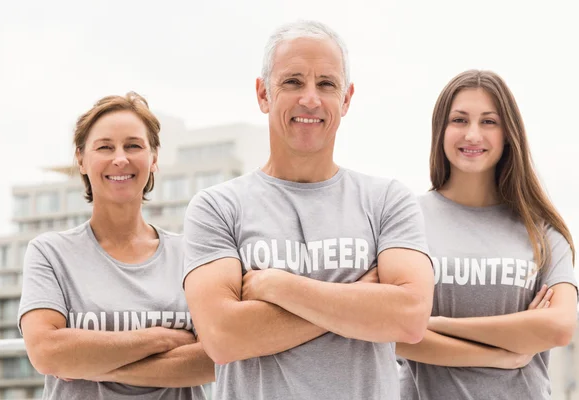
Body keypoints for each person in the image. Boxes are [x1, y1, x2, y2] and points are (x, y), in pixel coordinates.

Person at [182, 20, 434, 400]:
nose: (311, 99)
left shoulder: (387, 201)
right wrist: (360, 300)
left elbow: (410, 317)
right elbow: (223, 337)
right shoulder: (217, 208)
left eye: (326, 84)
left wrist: (278, 286)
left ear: (346, 99)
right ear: (263, 94)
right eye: (293, 82)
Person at [18, 92, 214, 399]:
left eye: (133, 145)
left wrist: (89, 364)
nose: (120, 158)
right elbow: (46, 352)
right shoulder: (50, 253)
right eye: (105, 147)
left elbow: (212, 360)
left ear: (153, 159)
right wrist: (159, 339)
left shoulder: (190, 255)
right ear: (81, 159)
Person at [397, 70, 578, 400]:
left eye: (489, 122)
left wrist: (436, 324)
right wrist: (507, 346)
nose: (473, 134)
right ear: (440, 130)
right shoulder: (406, 219)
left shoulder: (542, 231)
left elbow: (559, 326)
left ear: (508, 133)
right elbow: (391, 333)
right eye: (459, 120)